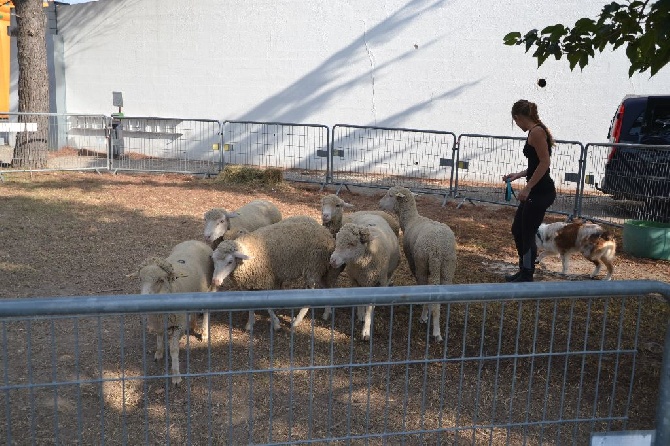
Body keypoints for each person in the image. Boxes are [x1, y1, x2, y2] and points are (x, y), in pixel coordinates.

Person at [502, 99, 556, 282]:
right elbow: (535, 165)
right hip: (535, 190)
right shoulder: (535, 132)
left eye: (515, 122)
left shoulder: (537, 132)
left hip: (541, 192)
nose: (516, 125)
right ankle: (523, 269)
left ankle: (527, 273)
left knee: (526, 232)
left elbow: (545, 163)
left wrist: (527, 187)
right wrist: (517, 175)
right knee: (518, 230)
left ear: (517, 117)